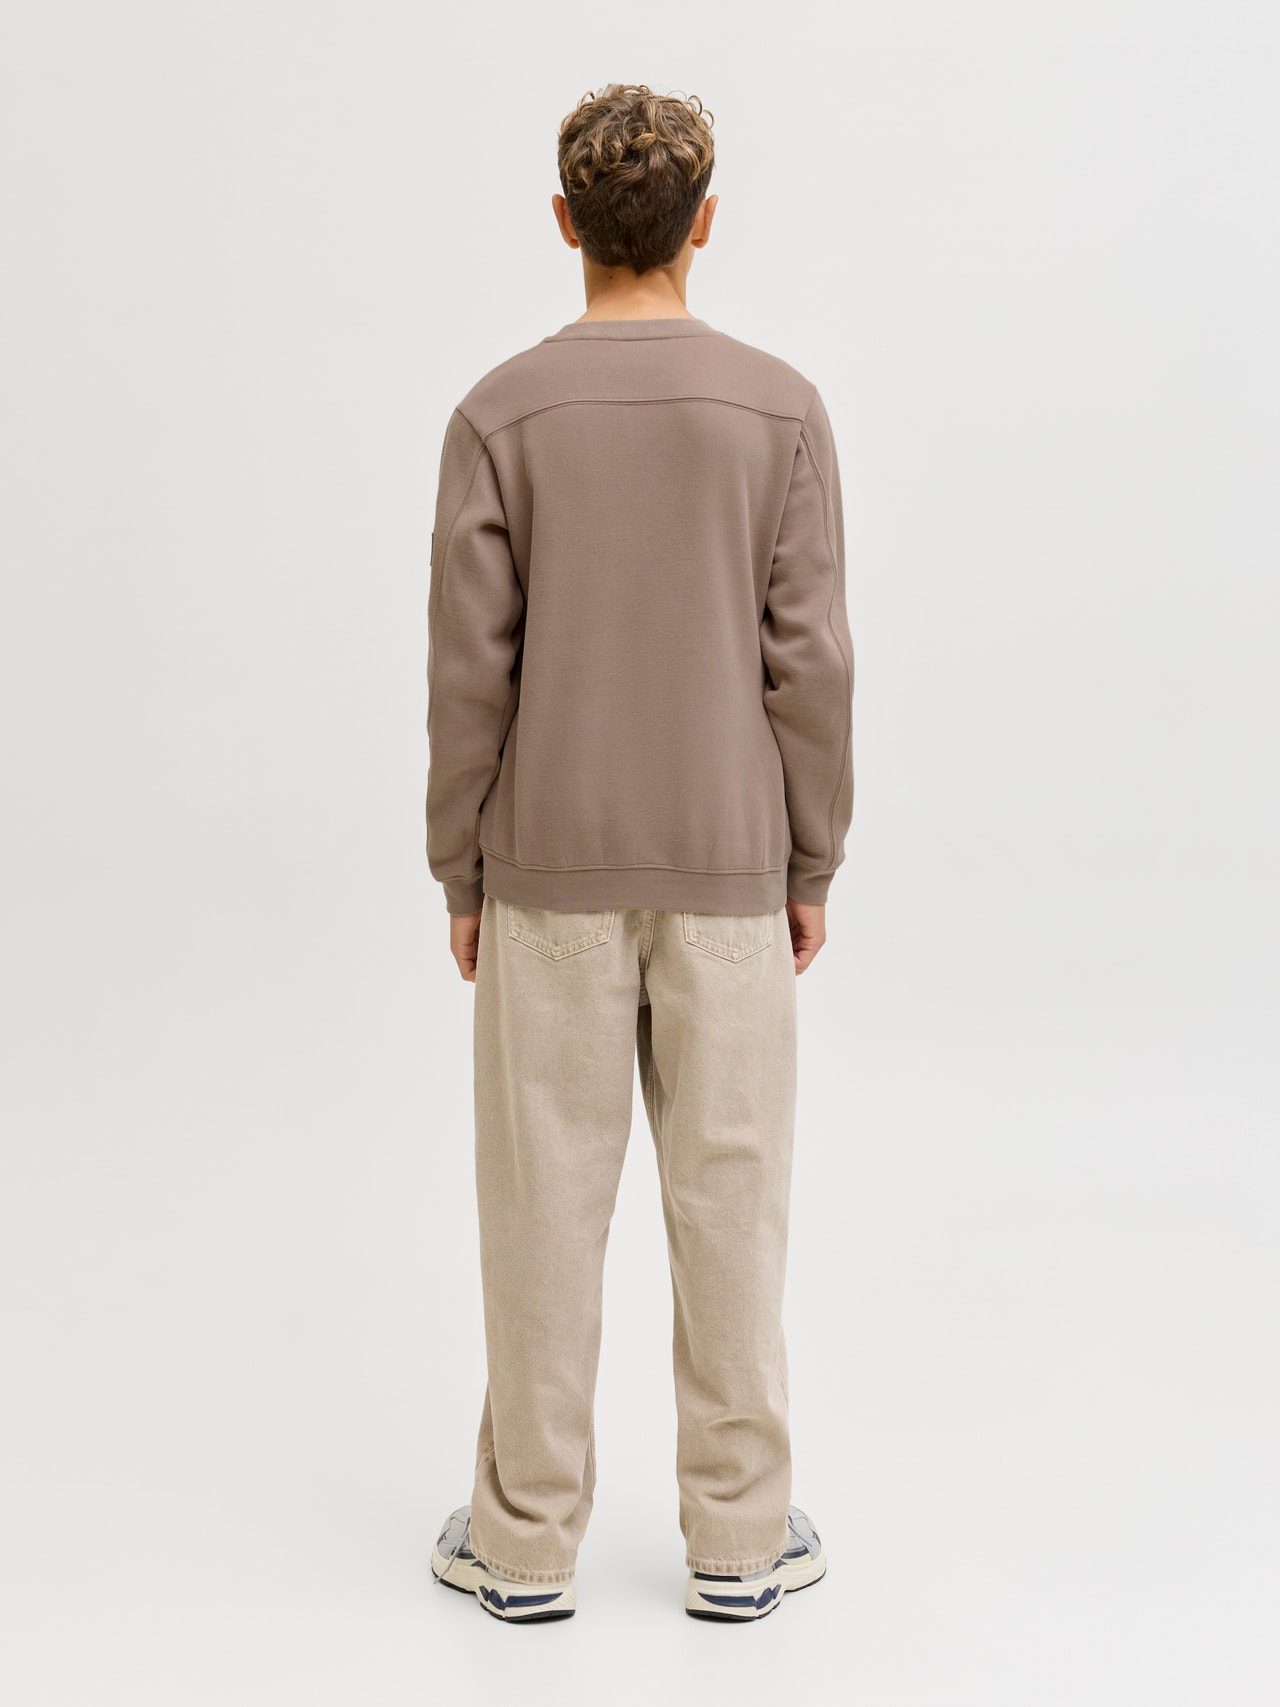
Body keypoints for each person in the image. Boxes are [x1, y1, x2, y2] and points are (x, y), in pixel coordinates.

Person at [425, 82, 853, 1623]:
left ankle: (524, 1540)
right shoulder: (779, 411)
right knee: (731, 1203)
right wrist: (812, 861)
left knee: (542, 1204)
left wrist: (460, 871)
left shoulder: (499, 415)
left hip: (546, 868)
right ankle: (740, 1539)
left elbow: (468, 675)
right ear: (705, 222)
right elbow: (810, 665)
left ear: (565, 222)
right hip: (730, 868)